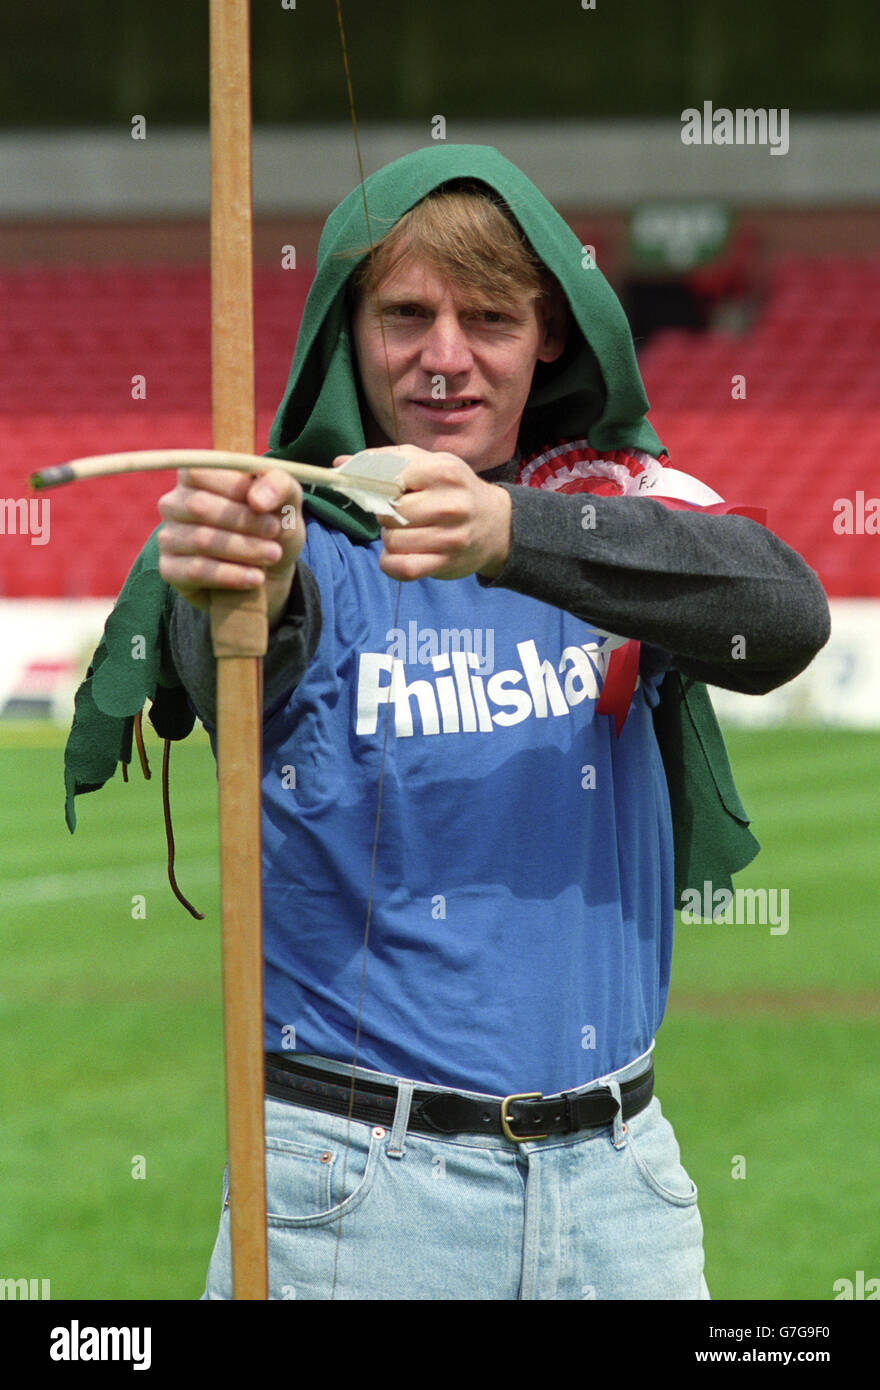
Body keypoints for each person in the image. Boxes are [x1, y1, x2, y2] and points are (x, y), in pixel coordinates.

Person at [67, 145, 830, 1300]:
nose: (444, 357)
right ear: (346, 327)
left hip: (622, 1194)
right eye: (405, 314)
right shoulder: (294, 532)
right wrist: (230, 576)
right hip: (359, 1196)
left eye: (489, 318)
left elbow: (782, 613)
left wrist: (510, 534)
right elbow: (231, 632)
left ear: (553, 338)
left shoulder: (609, 510)